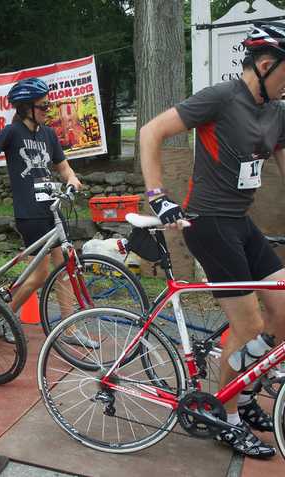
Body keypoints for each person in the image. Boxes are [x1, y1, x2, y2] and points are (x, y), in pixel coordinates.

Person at [139, 23, 285, 459]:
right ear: (265, 65)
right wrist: (157, 196)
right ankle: (227, 416)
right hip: (207, 222)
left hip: (238, 221)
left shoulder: (277, 111)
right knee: (250, 327)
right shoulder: (222, 98)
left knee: (282, 311)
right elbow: (150, 132)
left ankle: (239, 393)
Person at [0, 78, 89, 346]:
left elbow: (64, 167)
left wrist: (72, 179)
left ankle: (68, 330)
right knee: (38, 276)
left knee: (65, 268)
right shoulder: (12, 133)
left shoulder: (47, 134)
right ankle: (5, 317)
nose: (48, 110)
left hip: (53, 211)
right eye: (43, 106)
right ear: (25, 108)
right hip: (30, 212)